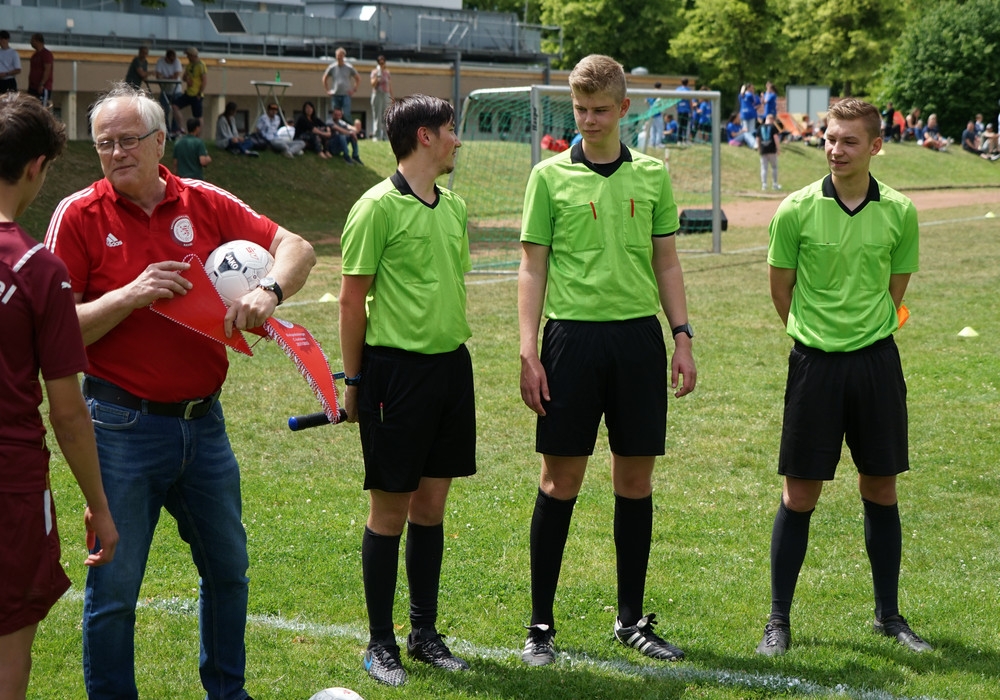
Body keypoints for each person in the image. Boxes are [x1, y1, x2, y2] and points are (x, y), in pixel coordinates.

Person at [43, 82, 316, 700]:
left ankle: (228, 693)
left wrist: (268, 291)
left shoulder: (204, 201)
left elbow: (295, 248)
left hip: (204, 425)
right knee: (115, 590)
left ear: (160, 141)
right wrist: (130, 294)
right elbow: (53, 331)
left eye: (128, 140)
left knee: (228, 571)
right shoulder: (78, 215)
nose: (116, 153)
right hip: (119, 426)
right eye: (104, 143)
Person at [518, 54, 696, 668]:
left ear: (624, 109)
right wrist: (528, 348)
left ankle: (630, 620)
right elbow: (532, 267)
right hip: (570, 341)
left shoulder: (653, 175)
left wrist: (682, 335)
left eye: (599, 110)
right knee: (559, 481)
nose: (589, 120)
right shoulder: (547, 177)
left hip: (638, 342)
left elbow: (667, 261)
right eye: (580, 109)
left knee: (635, 482)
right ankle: (541, 625)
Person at [757, 98, 929, 658]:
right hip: (815, 366)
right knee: (799, 492)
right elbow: (781, 291)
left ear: (876, 146)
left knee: (880, 486)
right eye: (830, 139)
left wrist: (862, 333)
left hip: (876, 364)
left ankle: (888, 615)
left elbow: (895, 291)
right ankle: (778, 620)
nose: (836, 149)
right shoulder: (795, 209)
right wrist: (817, 335)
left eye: (849, 141)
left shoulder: (900, 212)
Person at [339, 94, 475, 687]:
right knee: (390, 509)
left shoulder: (455, 207)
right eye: (450, 130)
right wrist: (353, 382)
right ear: (424, 136)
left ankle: (423, 634)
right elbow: (351, 302)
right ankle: (380, 643)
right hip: (393, 375)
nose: (457, 140)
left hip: (451, 371)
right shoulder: (374, 208)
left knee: (431, 507)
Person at [0, 90, 118, 700]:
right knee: (7, 646)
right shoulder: (36, 269)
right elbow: (68, 412)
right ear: (36, 167)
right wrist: (99, 504)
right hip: (11, 484)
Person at [172, 47, 207, 134]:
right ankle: (181, 128)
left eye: (188, 55)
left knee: (198, 116)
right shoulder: (189, 65)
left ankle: (198, 134)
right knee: (175, 106)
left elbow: (204, 80)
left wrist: (199, 93)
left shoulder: (201, 65)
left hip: (196, 94)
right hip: (188, 93)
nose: (187, 57)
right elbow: (184, 77)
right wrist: (187, 79)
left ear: (192, 55)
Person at [322, 47, 360, 120]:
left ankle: (347, 126)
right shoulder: (332, 67)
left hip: (346, 95)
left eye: (341, 55)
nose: (339, 57)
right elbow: (324, 78)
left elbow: (358, 78)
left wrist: (354, 90)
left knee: (346, 114)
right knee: (336, 115)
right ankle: (337, 127)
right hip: (335, 94)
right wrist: (327, 90)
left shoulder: (349, 67)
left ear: (344, 56)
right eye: (338, 55)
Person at [154, 49, 183, 136]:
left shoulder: (177, 62)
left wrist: (164, 78)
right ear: (166, 58)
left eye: (173, 59)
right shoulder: (160, 62)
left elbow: (176, 75)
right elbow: (158, 75)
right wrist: (167, 78)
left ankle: (175, 130)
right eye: (170, 60)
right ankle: (166, 130)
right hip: (165, 90)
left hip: (176, 90)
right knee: (163, 110)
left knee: (176, 109)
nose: (172, 61)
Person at [369, 54, 393, 141]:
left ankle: (386, 136)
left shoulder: (387, 73)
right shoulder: (374, 72)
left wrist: (392, 97)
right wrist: (378, 75)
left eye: (383, 63)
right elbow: (373, 84)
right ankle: (377, 136)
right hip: (377, 94)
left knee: (386, 116)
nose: (382, 64)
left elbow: (390, 86)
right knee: (377, 116)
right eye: (380, 63)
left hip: (386, 95)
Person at [27, 34, 53, 108]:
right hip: (33, 87)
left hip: (42, 87)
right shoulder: (34, 56)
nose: (31, 42)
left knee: (42, 107)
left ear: (38, 41)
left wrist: (42, 84)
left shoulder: (46, 54)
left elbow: (47, 69)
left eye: (32, 40)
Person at [756, 113, 781, 190]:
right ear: (772, 120)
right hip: (772, 150)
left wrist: (759, 147)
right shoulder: (773, 127)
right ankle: (775, 184)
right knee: (774, 167)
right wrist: (778, 148)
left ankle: (764, 185)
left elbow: (757, 138)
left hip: (763, 150)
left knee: (764, 168)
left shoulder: (760, 127)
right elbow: (776, 138)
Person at [739, 83, 760, 148]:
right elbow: (754, 101)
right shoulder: (747, 95)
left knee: (749, 129)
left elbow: (757, 103)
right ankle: (751, 143)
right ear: (748, 88)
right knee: (748, 129)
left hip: (749, 114)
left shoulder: (746, 95)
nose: (753, 89)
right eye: (751, 88)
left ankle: (751, 143)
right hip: (746, 114)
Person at [645, 81, 664, 147]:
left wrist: (650, 107)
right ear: (660, 87)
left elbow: (645, 101)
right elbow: (660, 102)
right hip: (657, 113)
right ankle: (658, 143)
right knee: (659, 129)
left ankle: (652, 143)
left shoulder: (650, 92)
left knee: (652, 129)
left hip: (651, 113)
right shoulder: (659, 93)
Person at [675, 77, 691, 144]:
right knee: (685, 126)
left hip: (680, 110)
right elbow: (690, 101)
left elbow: (675, 100)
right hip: (686, 110)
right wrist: (691, 110)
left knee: (680, 125)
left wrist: (676, 107)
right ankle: (685, 140)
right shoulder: (688, 90)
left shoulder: (678, 89)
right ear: (687, 83)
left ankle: (679, 140)